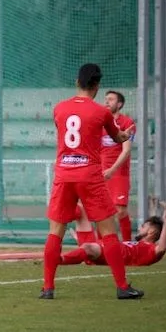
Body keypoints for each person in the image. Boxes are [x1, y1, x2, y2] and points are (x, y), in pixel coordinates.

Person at [41, 64, 140, 300]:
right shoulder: (101, 112)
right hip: (90, 174)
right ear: (96, 86)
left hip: (64, 174)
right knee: (108, 232)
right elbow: (117, 137)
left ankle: (47, 288)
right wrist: (126, 135)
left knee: (55, 233)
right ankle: (122, 287)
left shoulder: (59, 109)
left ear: (77, 82)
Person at [62, 198, 166, 267]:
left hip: (110, 254)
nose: (140, 228)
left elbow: (162, 248)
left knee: (87, 247)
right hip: (105, 246)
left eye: (143, 226)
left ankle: (55, 259)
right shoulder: (140, 244)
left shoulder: (151, 249)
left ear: (152, 231)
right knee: (82, 208)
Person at [101, 90, 135, 241]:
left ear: (119, 104)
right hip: (101, 171)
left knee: (120, 210)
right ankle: (101, 246)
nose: (107, 102)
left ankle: (128, 244)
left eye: (111, 99)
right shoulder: (100, 122)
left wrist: (112, 170)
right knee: (101, 211)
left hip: (119, 172)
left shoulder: (128, 123)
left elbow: (126, 150)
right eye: (106, 99)